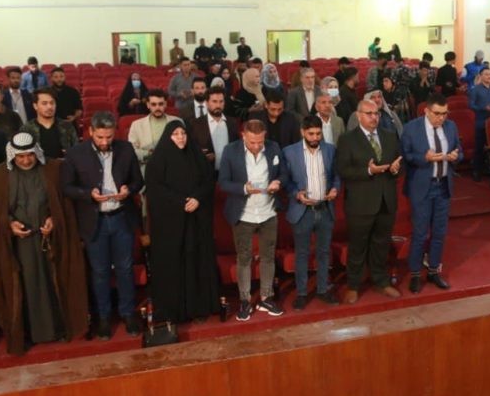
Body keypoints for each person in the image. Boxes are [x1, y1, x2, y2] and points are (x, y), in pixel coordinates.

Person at [0, 132, 89, 354]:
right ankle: (27, 334)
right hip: (17, 246)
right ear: (13, 156)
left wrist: (54, 219)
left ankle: (58, 329)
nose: (26, 160)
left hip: (50, 240)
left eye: (30, 155)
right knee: (24, 287)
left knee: (52, 283)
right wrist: (8, 224)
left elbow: (64, 204)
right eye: (21, 157)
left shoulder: (53, 169)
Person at [60, 111, 144, 340]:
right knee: (99, 271)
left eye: (109, 137)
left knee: (125, 268)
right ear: (90, 132)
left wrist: (128, 189)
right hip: (94, 221)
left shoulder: (126, 149)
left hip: (121, 217)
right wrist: (88, 194)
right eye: (100, 137)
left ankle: (128, 313)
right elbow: (66, 187)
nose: (105, 142)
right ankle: (104, 317)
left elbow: (138, 181)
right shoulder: (76, 153)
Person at [145, 120, 219, 323]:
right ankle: (174, 311)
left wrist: (197, 198)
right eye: (175, 134)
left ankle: (199, 307)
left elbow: (208, 181)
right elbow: (155, 189)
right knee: (173, 263)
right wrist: (181, 201)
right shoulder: (157, 160)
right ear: (168, 137)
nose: (180, 137)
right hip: (171, 224)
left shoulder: (197, 156)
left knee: (196, 260)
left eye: (183, 133)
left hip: (196, 220)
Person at [336, 99, 402, 303]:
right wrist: (368, 171)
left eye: (377, 114)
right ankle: (353, 285)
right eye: (369, 113)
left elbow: (399, 163)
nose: (374, 117)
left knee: (381, 243)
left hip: (386, 200)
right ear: (359, 116)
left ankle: (381, 281)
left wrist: (396, 169)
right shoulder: (347, 139)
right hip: (360, 202)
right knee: (358, 245)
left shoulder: (390, 136)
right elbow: (343, 171)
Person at [219, 119, 284, 321]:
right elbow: (223, 182)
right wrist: (243, 188)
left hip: (268, 212)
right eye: (252, 142)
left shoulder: (274, 147)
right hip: (243, 213)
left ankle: (266, 297)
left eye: (260, 142)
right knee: (244, 258)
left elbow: (283, 173)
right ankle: (245, 300)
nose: (256, 146)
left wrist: (278, 181)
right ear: (243, 136)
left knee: (268, 256)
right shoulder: (230, 151)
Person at [402, 94, 462, 293]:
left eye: (445, 113)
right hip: (422, 187)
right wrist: (424, 158)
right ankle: (415, 274)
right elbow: (405, 156)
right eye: (437, 113)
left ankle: (434, 270)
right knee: (420, 233)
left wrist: (455, 156)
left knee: (439, 233)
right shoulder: (411, 128)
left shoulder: (451, 127)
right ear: (426, 111)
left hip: (443, 186)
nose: (441, 118)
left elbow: (459, 151)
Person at [281, 116, 342, 309]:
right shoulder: (289, 152)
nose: (315, 137)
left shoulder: (330, 150)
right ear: (302, 132)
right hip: (302, 211)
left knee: (324, 252)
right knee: (302, 253)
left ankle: (323, 289)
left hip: (325, 209)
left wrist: (335, 189)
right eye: (311, 134)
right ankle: (301, 293)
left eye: (318, 133)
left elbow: (336, 176)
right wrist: (296, 194)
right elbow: (285, 181)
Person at [127, 89, 181, 173]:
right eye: (153, 104)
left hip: (173, 167)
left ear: (165, 104)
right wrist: (149, 154)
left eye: (160, 104)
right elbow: (132, 150)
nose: (157, 108)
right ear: (148, 105)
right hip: (147, 168)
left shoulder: (178, 122)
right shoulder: (136, 125)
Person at [190, 87, 239, 172]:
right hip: (206, 173)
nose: (218, 105)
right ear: (207, 103)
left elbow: (237, 148)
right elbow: (192, 151)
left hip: (229, 172)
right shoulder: (196, 124)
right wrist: (202, 156)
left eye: (221, 101)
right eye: (214, 101)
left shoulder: (232, 123)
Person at [21, 88, 78, 160]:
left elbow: (77, 152)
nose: (49, 107)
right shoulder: (26, 129)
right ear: (35, 106)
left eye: (52, 103)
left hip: (64, 166)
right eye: (44, 103)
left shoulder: (67, 126)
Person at [468, 66, 490, 182]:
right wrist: (483, 108)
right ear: (481, 76)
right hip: (481, 121)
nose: (489, 76)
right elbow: (471, 105)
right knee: (479, 147)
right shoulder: (475, 89)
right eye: (486, 74)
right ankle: (476, 170)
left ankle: (489, 167)